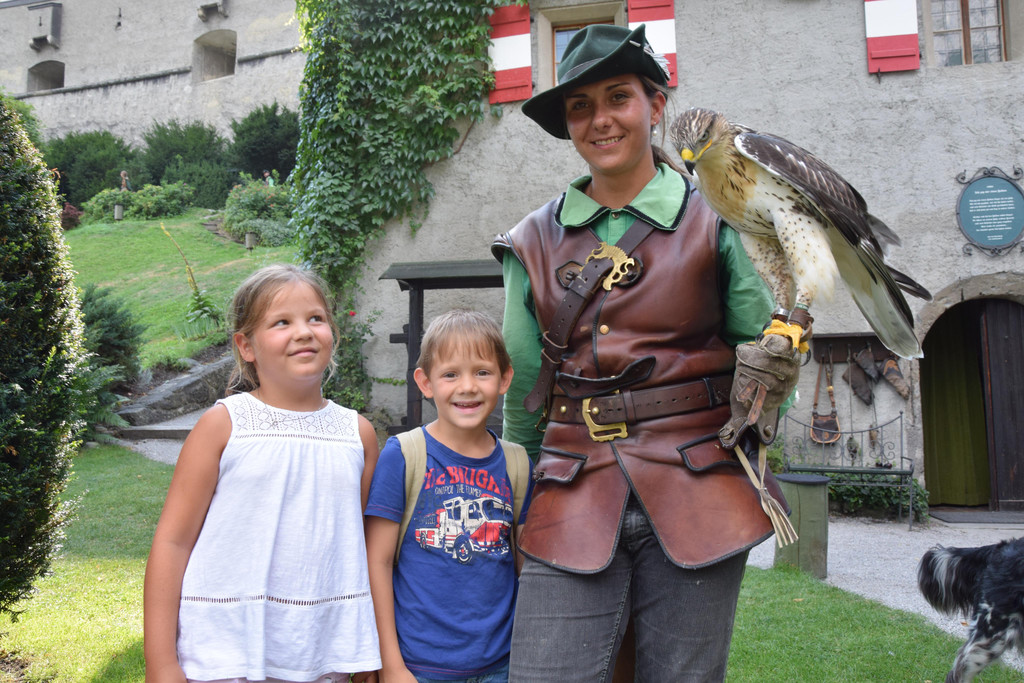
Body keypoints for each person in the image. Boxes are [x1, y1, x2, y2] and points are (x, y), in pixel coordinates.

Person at [491, 24, 799, 682]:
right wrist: (522, 488)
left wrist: (771, 389)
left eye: (618, 97)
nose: (600, 119)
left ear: (655, 105)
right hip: (569, 484)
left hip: (700, 485)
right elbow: (524, 389)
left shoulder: (717, 219)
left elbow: (763, 347)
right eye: (580, 106)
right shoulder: (530, 241)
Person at [143, 264, 381, 683]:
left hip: (321, 653)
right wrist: (161, 665)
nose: (304, 332)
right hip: (225, 653)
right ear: (246, 345)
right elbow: (173, 542)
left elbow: (360, 548)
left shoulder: (357, 434)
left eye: (316, 318)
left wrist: (364, 657)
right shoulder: (223, 425)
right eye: (281, 322)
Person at [364, 309, 533, 683]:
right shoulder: (403, 455)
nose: (467, 386)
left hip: (502, 665)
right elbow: (377, 562)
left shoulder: (518, 464)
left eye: (482, 372)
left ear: (505, 378)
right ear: (425, 383)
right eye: (451, 374)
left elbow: (526, 568)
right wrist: (391, 665)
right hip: (419, 666)